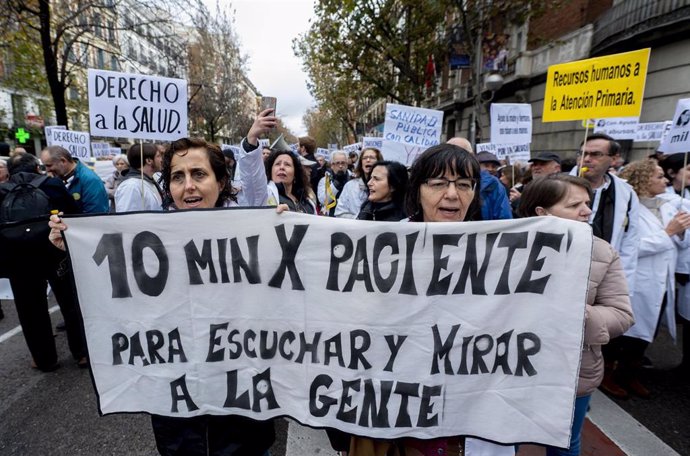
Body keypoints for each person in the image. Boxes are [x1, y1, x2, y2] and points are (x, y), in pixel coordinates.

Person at [49, 110, 276, 455]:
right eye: (177, 176)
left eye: (199, 174)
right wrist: (74, 250)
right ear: (167, 186)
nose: (188, 186)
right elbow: (111, 298)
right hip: (179, 409)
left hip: (242, 402)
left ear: (221, 182)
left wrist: (287, 235)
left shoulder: (252, 230)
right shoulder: (146, 240)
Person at [350, 143, 512, 456]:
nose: (452, 194)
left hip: (461, 415)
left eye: (464, 184)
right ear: (418, 190)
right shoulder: (384, 246)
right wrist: (289, 229)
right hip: (392, 410)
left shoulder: (500, 253)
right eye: (438, 183)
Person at [518, 174, 634, 456]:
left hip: (574, 369)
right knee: (504, 438)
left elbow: (621, 314)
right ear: (542, 212)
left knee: (565, 442)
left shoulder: (603, 252)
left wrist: (578, 312)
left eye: (587, 202)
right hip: (511, 366)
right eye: (574, 205)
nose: (587, 210)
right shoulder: (505, 247)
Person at [605, 159, 690, 399]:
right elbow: (628, 247)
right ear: (643, 180)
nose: (665, 180)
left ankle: (629, 374)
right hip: (637, 280)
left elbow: (679, 243)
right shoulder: (627, 209)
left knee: (647, 334)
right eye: (659, 176)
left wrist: (680, 232)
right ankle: (606, 375)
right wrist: (668, 233)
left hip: (661, 282)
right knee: (623, 332)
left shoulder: (666, 206)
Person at [1, 152, 86, 371]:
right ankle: (82, 352)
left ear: (9, 173)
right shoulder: (53, 186)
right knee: (70, 302)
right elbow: (75, 216)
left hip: (18, 260)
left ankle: (44, 359)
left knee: (30, 310)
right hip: (55, 254)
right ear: (37, 168)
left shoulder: (1, 192)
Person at [575, 133, 640, 398]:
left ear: (613, 160)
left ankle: (592, 381)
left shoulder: (624, 193)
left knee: (595, 332)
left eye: (595, 154)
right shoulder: (561, 185)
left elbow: (631, 239)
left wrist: (624, 281)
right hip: (569, 271)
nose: (587, 159)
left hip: (603, 273)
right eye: (584, 153)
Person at [447, 137, 512, 220]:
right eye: (438, 184)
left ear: (471, 156)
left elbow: (504, 220)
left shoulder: (493, 185)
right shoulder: (430, 178)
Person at [40, 146, 109, 214]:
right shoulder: (57, 177)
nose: (47, 170)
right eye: (44, 166)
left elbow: (95, 215)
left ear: (63, 161)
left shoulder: (90, 180)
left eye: (49, 165)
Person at [114, 143, 163, 212]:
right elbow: (127, 219)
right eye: (158, 156)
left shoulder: (151, 179)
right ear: (149, 160)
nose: (161, 160)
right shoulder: (131, 186)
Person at [335, 147, 382, 218]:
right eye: (365, 158)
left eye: (372, 157)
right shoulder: (350, 186)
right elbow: (339, 213)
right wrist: (358, 218)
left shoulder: (385, 186)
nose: (368, 160)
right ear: (361, 163)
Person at [266, 149, 316, 214]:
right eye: (277, 164)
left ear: (295, 174)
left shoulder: (308, 202)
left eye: (287, 164)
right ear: (271, 171)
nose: (282, 167)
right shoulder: (265, 195)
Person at [317, 151, 352, 216]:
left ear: (347, 165)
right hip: (330, 219)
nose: (340, 166)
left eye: (343, 163)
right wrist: (336, 184)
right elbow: (324, 201)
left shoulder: (353, 179)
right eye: (337, 163)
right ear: (332, 165)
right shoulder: (325, 180)